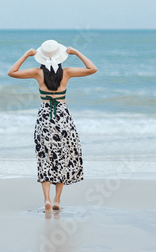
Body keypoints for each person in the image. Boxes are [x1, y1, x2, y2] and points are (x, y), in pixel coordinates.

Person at [7, 39, 98, 211]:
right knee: (62, 156)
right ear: (61, 57)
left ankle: (47, 200)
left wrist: (26, 55)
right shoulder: (68, 72)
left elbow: (12, 72)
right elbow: (93, 69)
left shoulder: (36, 73)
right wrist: (77, 53)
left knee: (45, 157)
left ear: (41, 58)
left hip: (45, 117)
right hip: (63, 117)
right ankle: (57, 200)